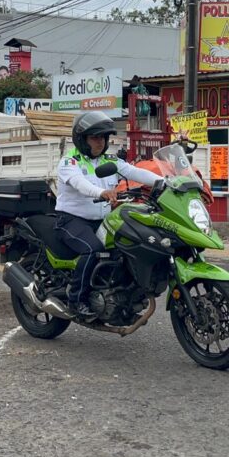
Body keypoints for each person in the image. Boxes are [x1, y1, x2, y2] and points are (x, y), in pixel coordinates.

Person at [56, 112, 163, 318]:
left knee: (127, 245)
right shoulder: (70, 162)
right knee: (93, 249)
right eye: (95, 137)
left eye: (104, 137)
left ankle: (119, 296)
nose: (101, 142)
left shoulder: (110, 161)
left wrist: (165, 181)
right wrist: (101, 192)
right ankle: (76, 300)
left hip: (102, 220)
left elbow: (135, 172)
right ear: (82, 139)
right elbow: (80, 183)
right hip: (71, 220)